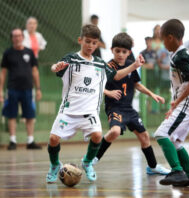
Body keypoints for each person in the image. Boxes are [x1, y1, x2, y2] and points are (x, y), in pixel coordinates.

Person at [46, 24, 145, 183]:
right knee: (53, 139)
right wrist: (55, 67)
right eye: (87, 41)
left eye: (94, 42)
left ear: (98, 44)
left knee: (98, 136)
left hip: (90, 112)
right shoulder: (71, 59)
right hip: (69, 111)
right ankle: (54, 165)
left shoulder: (100, 64)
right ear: (80, 40)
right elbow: (55, 67)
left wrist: (134, 66)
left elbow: (117, 76)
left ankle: (87, 162)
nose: (90, 45)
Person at [92, 32, 170, 175]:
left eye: (124, 51)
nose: (120, 54)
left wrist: (152, 94)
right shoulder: (109, 65)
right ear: (112, 50)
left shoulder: (130, 64)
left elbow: (136, 84)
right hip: (114, 107)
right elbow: (100, 83)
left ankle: (152, 167)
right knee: (114, 131)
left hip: (128, 108)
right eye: (117, 51)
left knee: (144, 136)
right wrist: (108, 93)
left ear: (129, 52)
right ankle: (93, 159)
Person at [154, 19, 189, 187]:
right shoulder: (176, 54)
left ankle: (177, 171)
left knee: (161, 134)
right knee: (175, 142)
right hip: (188, 103)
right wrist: (175, 103)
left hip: (188, 103)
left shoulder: (181, 56)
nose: (162, 43)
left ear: (170, 37)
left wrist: (176, 103)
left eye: (163, 39)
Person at [0, 28, 43, 150]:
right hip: (12, 89)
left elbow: (35, 71)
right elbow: (3, 72)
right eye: (14, 36)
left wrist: (38, 88)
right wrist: (0, 90)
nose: (17, 38)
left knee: (29, 115)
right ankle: (12, 141)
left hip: (28, 89)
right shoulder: (8, 53)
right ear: (12, 38)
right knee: (11, 114)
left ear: (23, 37)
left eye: (19, 36)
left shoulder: (29, 52)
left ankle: (30, 141)